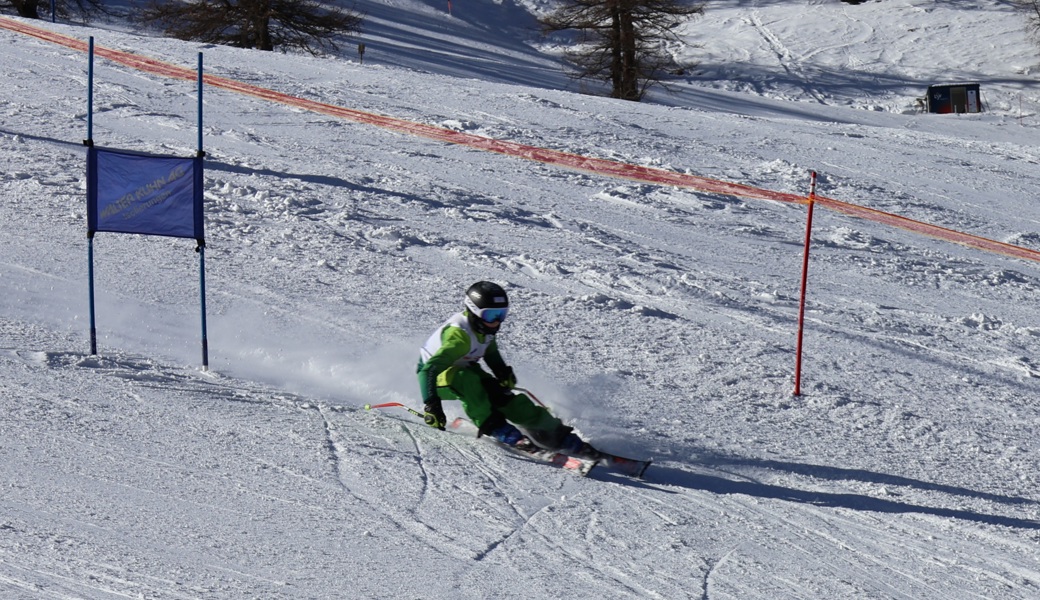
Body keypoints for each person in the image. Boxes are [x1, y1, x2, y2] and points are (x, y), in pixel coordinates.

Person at [417, 281, 591, 455]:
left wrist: (501, 371)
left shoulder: (484, 329)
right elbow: (428, 371)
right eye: (491, 315)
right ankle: (495, 426)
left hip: (465, 368)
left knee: (501, 395)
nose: (497, 321)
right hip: (435, 379)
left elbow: (490, 353)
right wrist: (432, 405)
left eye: (501, 314)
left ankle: (552, 431)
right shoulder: (458, 338)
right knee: (468, 381)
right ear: (474, 312)